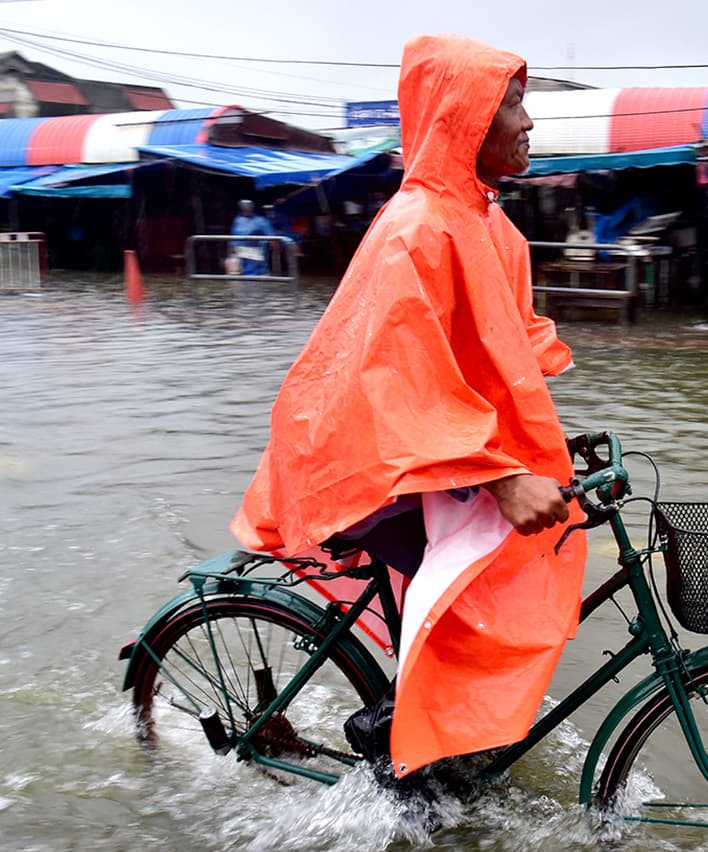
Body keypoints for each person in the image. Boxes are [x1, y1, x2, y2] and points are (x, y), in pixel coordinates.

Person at [229, 34, 586, 784]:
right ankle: (400, 759)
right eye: (512, 104)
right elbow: (404, 387)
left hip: (425, 457)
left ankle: (426, 738)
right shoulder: (416, 229)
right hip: (361, 463)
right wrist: (502, 478)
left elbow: (500, 361)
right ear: (464, 119)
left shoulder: (491, 228)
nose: (528, 123)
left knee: (484, 581)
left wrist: (547, 450)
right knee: (459, 596)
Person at [228, 199, 275, 275]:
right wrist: (231, 250)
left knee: (256, 273)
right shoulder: (238, 220)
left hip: (255, 251)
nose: (246, 210)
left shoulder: (261, 221)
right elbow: (233, 236)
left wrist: (273, 246)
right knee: (236, 272)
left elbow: (272, 237)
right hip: (239, 251)